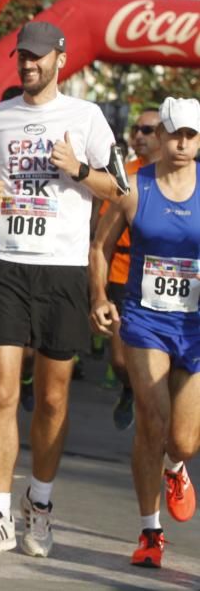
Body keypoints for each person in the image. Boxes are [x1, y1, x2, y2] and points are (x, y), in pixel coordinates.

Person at [0, 21, 122, 560]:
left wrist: (77, 168)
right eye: (21, 58)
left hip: (62, 269)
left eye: (36, 57)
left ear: (61, 57)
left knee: (53, 400)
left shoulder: (86, 117)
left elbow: (118, 189)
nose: (27, 65)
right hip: (6, 263)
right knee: (3, 394)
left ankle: (41, 504)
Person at [90, 97, 200, 569]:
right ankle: (150, 531)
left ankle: (176, 467)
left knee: (185, 440)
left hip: (194, 326)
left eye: (190, 135)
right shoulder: (133, 188)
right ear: (159, 136)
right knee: (151, 419)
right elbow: (100, 245)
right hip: (145, 320)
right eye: (173, 133)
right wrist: (99, 297)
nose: (181, 142)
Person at [102, 107, 162, 431]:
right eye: (137, 129)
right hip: (123, 273)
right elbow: (101, 238)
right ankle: (128, 388)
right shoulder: (123, 174)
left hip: (165, 279)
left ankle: (152, 414)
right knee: (121, 361)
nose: (139, 135)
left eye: (147, 130)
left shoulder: (180, 177)